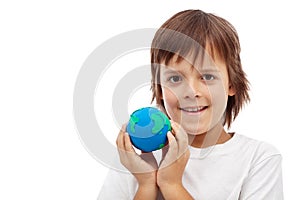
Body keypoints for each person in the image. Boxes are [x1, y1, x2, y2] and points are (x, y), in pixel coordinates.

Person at [99, 9, 283, 200]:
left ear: (232, 84)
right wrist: (146, 184)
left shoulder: (259, 159)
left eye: (208, 77)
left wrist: (171, 185)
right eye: (175, 78)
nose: (191, 92)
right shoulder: (133, 159)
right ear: (159, 88)